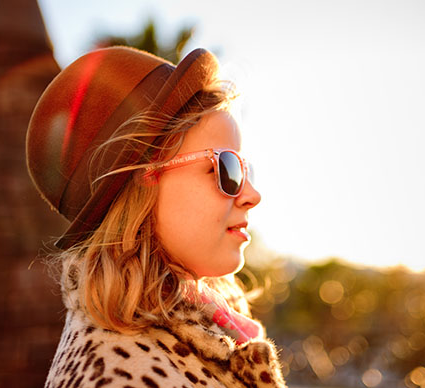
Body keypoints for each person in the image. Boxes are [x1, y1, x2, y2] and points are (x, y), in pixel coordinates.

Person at [26, 46, 286, 388]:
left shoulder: (205, 329)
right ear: (145, 180)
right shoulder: (119, 376)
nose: (252, 195)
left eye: (244, 168)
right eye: (225, 168)